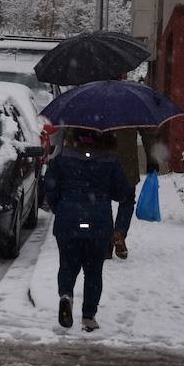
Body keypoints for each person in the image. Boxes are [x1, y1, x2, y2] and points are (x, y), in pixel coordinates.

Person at [43, 128, 133, 332]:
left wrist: (61, 208)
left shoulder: (62, 159)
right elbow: (121, 194)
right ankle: (89, 316)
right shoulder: (110, 161)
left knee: (67, 265)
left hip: (68, 221)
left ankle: (66, 295)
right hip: (98, 223)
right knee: (93, 271)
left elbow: (49, 186)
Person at [107, 127, 160, 259]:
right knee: (127, 201)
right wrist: (152, 160)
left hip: (103, 162)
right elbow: (147, 134)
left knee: (103, 202)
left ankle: (105, 244)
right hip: (126, 163)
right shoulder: (134, 108)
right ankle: (119, 233)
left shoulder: (97, 107)